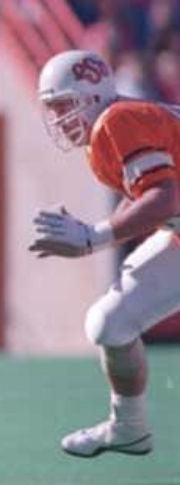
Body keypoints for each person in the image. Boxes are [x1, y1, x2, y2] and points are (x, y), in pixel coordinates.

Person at [29, 49, 180, 458]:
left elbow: (164, 198)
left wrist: (93, 238)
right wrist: (94, 237)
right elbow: (144, 192)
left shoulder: (117, 121)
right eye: (52, 107)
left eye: (63, 105)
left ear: (91, 96)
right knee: (110, 324)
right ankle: (128, 426)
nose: (57, 117)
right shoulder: (113, 125)